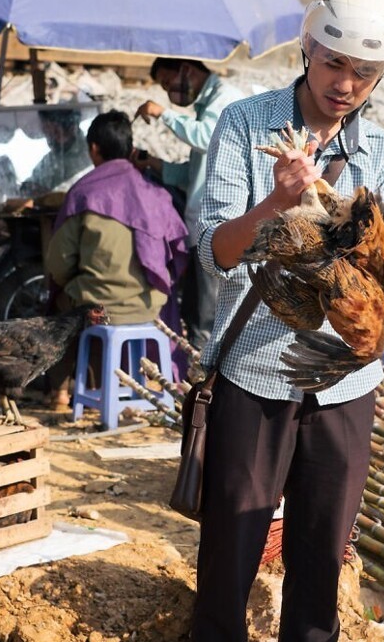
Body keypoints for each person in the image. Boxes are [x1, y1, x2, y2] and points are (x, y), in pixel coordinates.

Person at [175, 0, 384, 642]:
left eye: (364, 70)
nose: (345, 81)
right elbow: (215, 253)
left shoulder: (381, 146)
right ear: (307, 47)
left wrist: (361, 231)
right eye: (335, 59)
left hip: (345, 385)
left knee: (320, 566)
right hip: (255, 381)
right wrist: (278, 202)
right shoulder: (243, 124)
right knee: (227, 574)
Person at [45, 110, 187, 405]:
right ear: (131, 150)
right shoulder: (155, 192)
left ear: (94, 149)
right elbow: (178, 252)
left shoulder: (83, 192)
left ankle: (59, 394)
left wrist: (70, 284)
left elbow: (58, 263)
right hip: (149, 307)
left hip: (99, 305)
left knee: (62, 311)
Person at [134, 58, 244, 345]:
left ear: (188, 71)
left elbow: (207, 137)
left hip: (219, 227)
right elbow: (196, 173)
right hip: (201, 227)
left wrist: (164, 114)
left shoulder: (226, 99)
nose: (170, 91)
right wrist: (155, 164)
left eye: (168, 84)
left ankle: (204, 380)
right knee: (195, 309)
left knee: (206, 317)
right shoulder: (206, 108)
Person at [26, 107, 91, 197]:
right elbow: (34, 182)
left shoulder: (89, 153)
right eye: (47, 133)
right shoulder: (50, 160)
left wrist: (48, 195)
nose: (50, 139)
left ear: (71, 128)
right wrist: (28, 186)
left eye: (55, 132)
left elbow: (79, 194)